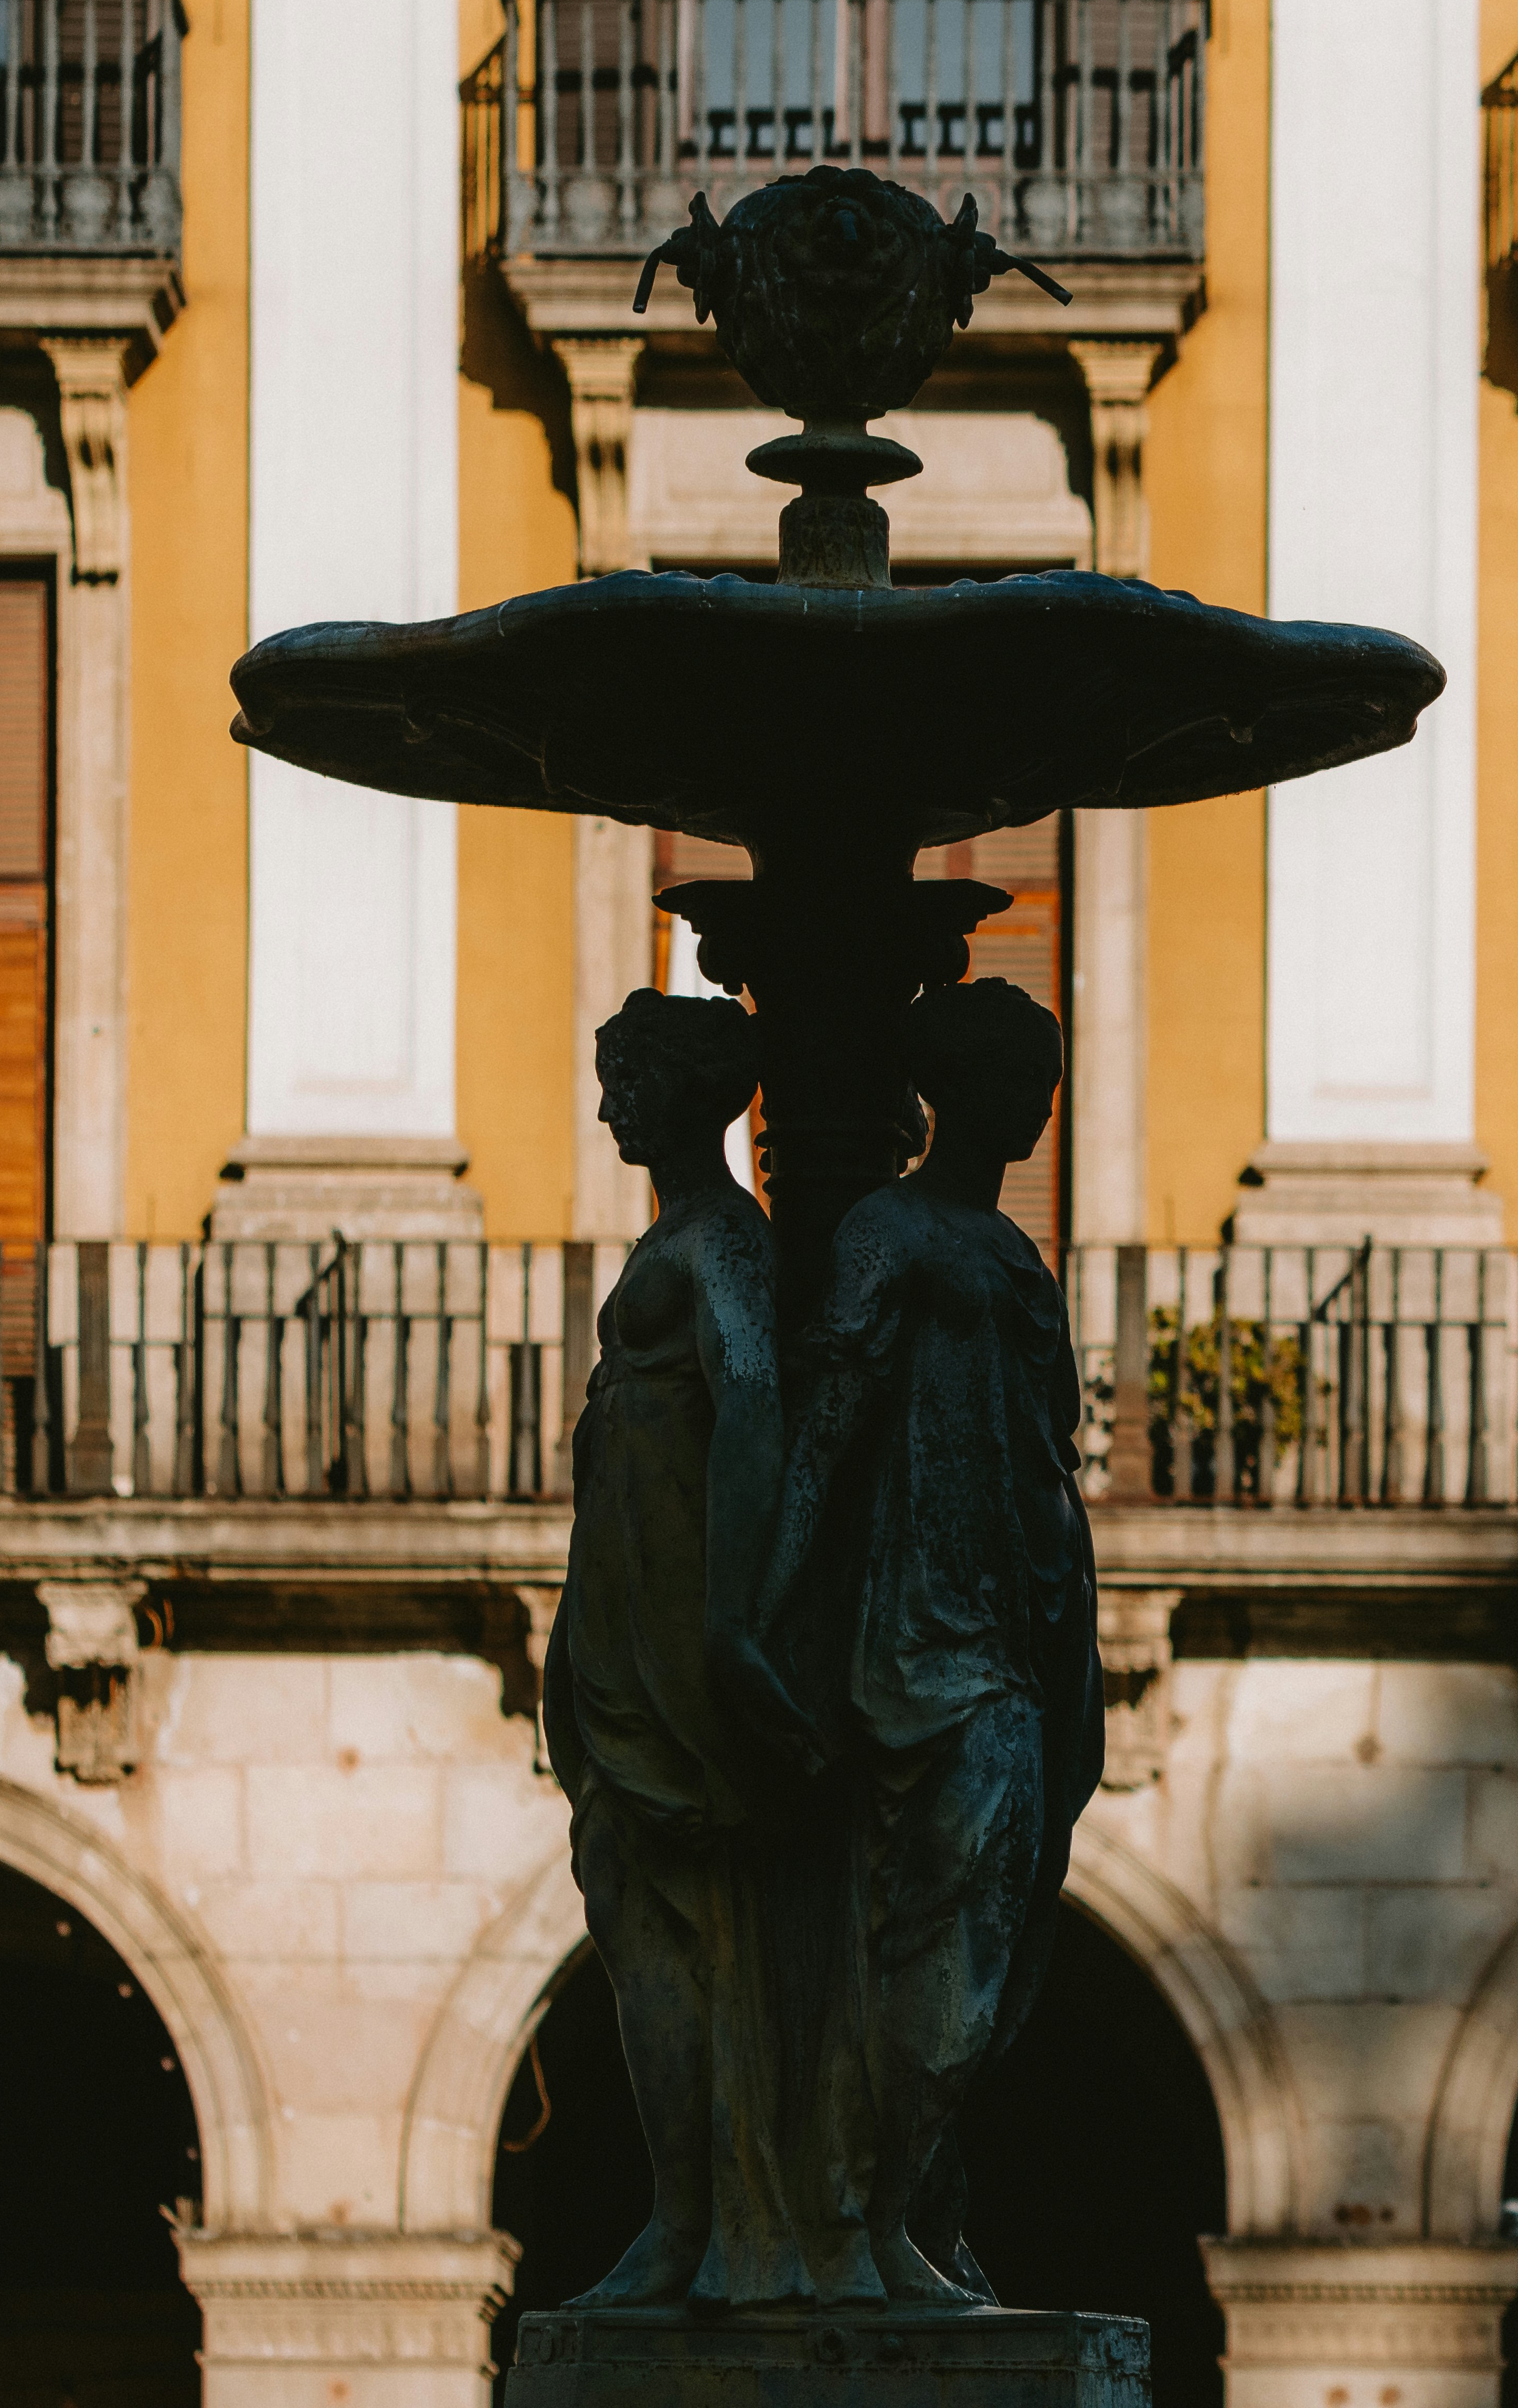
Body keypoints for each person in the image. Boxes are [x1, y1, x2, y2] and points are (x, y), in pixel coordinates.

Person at [543, 989, 872, 2311]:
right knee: (637, 1903)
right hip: (631, 1618)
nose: (612, 1100)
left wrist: (736, 1619)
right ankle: (692, 2212)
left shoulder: (725, 1244)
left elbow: (751, 1403)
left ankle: (707, 2218)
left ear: (688, 1094)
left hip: (682, 1626)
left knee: (686, 1910)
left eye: (629, 1078)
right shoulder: (679, 1236)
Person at [785, 975, 1103, 2306]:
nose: (1040, 1104)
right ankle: (862, 2214)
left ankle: (911, 2206)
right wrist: (768, 1589)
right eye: (1022, 1078)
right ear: (956, 1089)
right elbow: (831, 1415)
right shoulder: (889, 1230)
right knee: (933, 1936)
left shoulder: (1008, 1252)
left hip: (1023, 1632)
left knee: (1002, 1933)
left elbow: (1050, 1459)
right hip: (922, 1634)